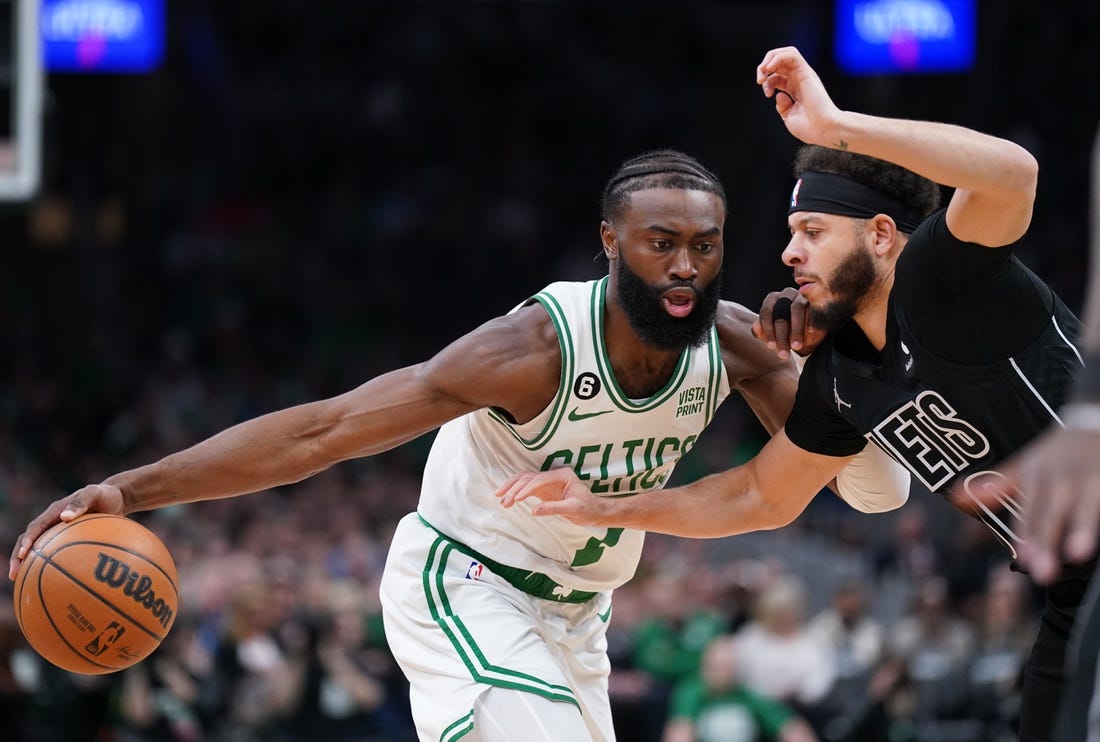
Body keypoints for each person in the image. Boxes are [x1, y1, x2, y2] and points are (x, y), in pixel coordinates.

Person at [7, 149, 909, 742]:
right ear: (610, 244)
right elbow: (323, 432)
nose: (683, 266)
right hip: (463, 580)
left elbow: (876, 491)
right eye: (659, 243)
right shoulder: (532, 351)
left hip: (578, 618)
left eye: (703, 248)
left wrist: (838, 362)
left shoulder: (740, 342)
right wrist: (132, 490)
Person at [496, 46, 1088, 741]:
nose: (789, 253)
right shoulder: (837, 375)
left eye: (811, 232)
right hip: (1076, 599)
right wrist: (603, 508)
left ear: (880, 236)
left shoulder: (943, 276)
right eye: (790, 235)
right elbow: (758, 496)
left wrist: (835, 126)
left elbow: (1015, 174)